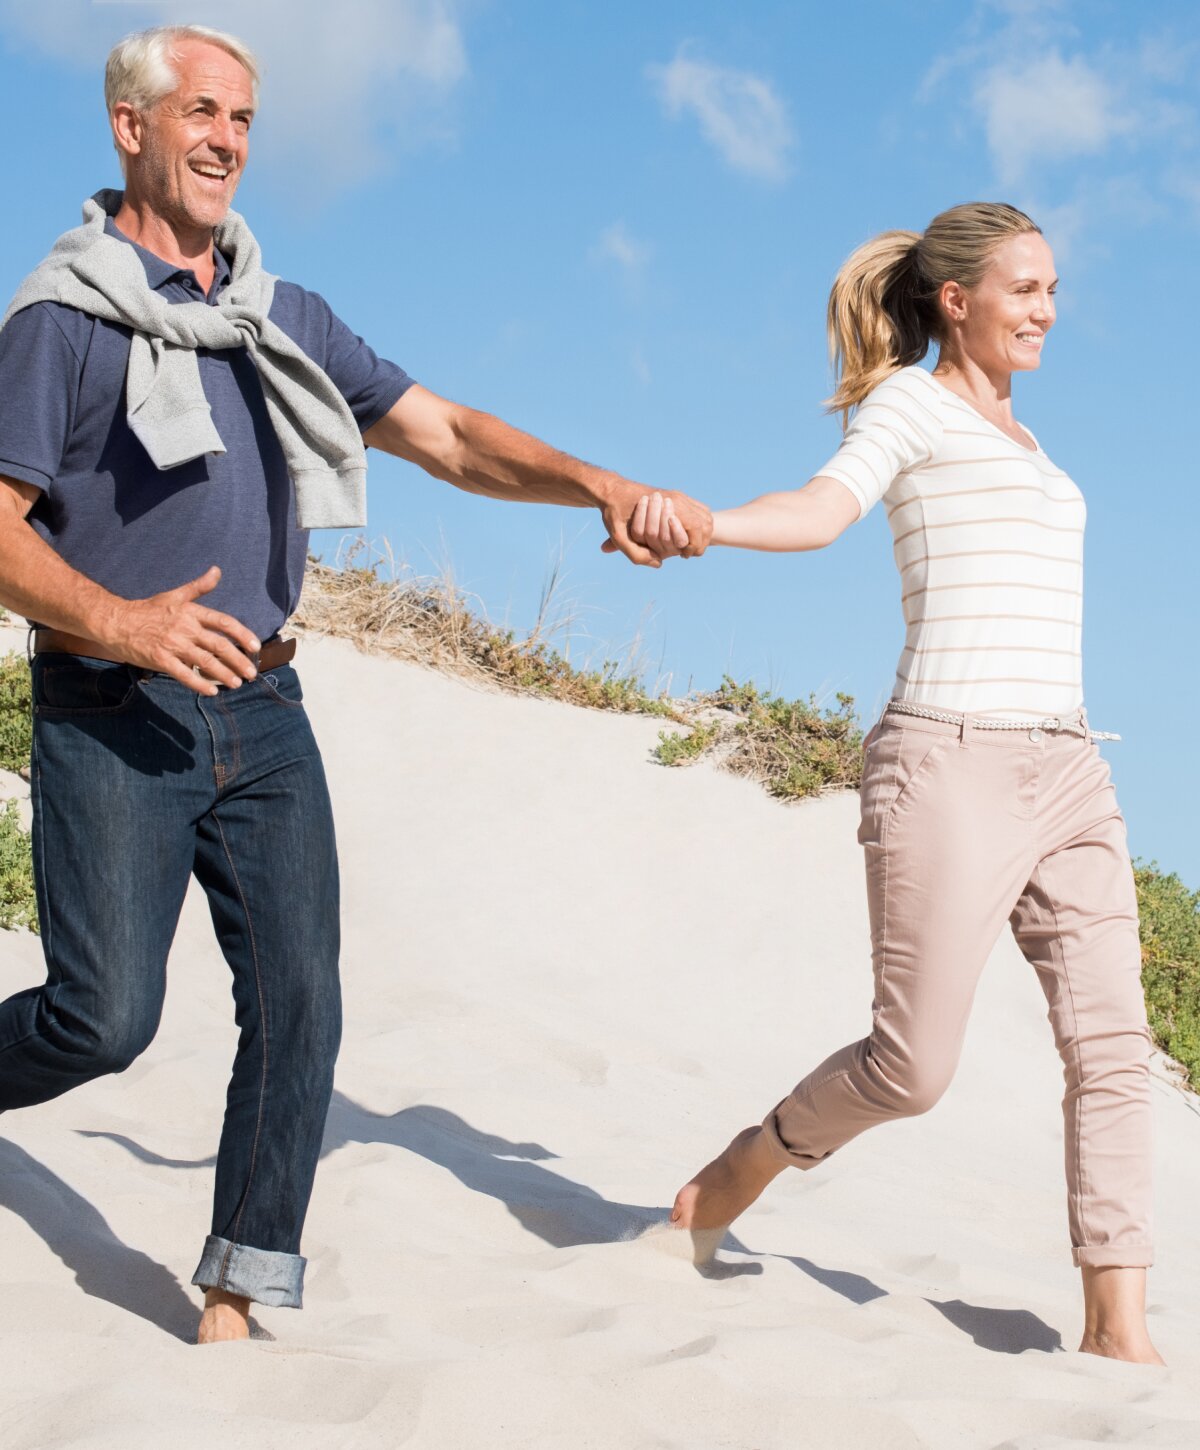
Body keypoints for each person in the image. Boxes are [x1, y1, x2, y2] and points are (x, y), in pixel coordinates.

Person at [0, 24, 710, 1345]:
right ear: (129, 126)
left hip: (266, 707)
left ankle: (237, 1289)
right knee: (103, 1017)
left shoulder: (282, 318)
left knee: (302, 997)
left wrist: (594, 483)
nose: (227, 139)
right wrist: (120, 620)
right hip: (115, 707)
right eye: (201, 111)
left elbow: (442, 434)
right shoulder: (61, 322)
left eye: (248, 118)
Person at [627, 203, 1161, 1365]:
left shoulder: (1032, 445)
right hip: (947, 759)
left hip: (1071, 767)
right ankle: (741, 1168)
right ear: (956, 300)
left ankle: (1120, 1333)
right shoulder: (908, 403)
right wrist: (707, 524)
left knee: (1116, 1051)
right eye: (1025, 290)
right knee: (912, 1067)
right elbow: (822, 511)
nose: (1048, 311)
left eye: (1055, 288)